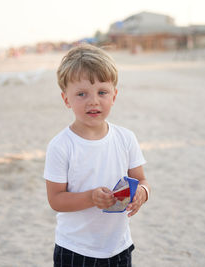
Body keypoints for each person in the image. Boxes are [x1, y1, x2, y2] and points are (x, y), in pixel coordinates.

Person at [43, 44, 150, 267]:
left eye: (102, 92)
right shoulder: (61, 146)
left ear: (114, 95)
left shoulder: (126, 138)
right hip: (75, 249)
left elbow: (141, 179)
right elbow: (55, 199)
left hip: (118, 246)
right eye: (81, 94)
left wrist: (142, 192)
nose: (93, 101)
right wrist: (91, 198)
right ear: (66, 99)